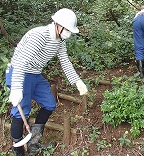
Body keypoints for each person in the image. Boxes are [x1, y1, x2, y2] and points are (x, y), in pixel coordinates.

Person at [5, 8, 88, 156]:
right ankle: (18, 150)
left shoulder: (60, 40)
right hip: (20, 73)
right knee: (20, 112)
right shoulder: (39, 35)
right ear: (58, 24)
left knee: (49, 104)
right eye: (67, 29)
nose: (68, 33)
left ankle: (33, 141)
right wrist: (16, 88)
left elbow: (65, 61)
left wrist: (77, 81)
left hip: (35, 74)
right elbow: (21, 62)